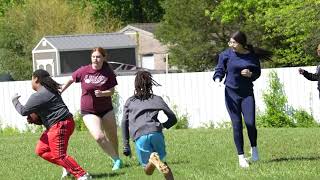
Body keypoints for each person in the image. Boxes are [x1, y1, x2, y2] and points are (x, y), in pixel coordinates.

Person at [11, 69, 91, 180]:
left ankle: (82, 175)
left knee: (59, 155)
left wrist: (14, 100)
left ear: (36, 79)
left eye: (31, 79)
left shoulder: (38, 95)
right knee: (41, 150)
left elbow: (23, 111)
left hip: (60, 125)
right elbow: (45, 112)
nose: (31, 81)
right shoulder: (50, 90)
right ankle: (67, 166)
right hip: (62, 124)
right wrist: (37, 118)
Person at [213, 31, 272, 168]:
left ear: (241, 43)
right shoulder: (226, 54)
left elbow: (257, 73)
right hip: (231, 94)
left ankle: (255, 150)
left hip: (247, 94)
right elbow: (220, 69)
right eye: (230, 42)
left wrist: (250, 74)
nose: (230, 44)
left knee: (250, 123)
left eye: (233, 42)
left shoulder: (251, 56)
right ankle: (241, 157)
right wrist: (217, 78)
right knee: (237, 124)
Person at [60, 47, 122, 171]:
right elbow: (71, 79)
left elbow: (112, 91)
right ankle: (116, 159)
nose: (95, 59)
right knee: (99, 136)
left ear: (103, 58)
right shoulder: (84, 71)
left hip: (106, 109)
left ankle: (117, 159)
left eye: (98, 56)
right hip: (89, 111)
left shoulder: (108, 72)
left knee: (112, 136)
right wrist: (60, 91)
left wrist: (103, 93)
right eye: (93, 56)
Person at [121, 71, 177, 180]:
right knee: (163, 163)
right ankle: (156, 161)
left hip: (140, 136)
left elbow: (124, 123)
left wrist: (126, 145)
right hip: (156, 133)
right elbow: (173, 118)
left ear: (136, 84)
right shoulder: (157, 99)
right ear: (150, 84)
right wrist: (162, 125)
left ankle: (152, 161)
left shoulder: (130, 101)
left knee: (147, 171)